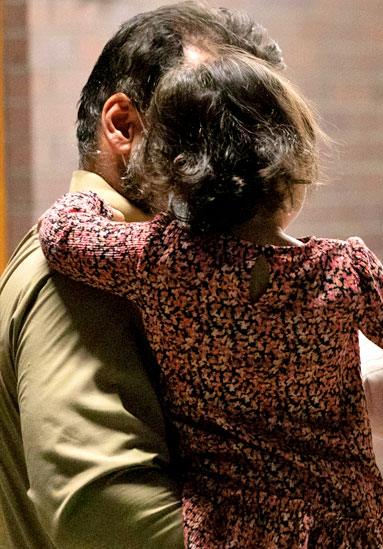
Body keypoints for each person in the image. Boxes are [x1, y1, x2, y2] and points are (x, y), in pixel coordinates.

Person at [37, 47, 383, 547]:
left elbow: (61, 233)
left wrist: (92, 189)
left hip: (227, 534)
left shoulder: (160, 260)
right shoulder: (341, 271)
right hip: (342, 532)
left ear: (173, 172)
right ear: (291, 169)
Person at [0, 3, 285, 547]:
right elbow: (102, 512)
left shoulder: (159, 264)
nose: (243, 166)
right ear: (124, 126)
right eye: (214, 130)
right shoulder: (82, 273)